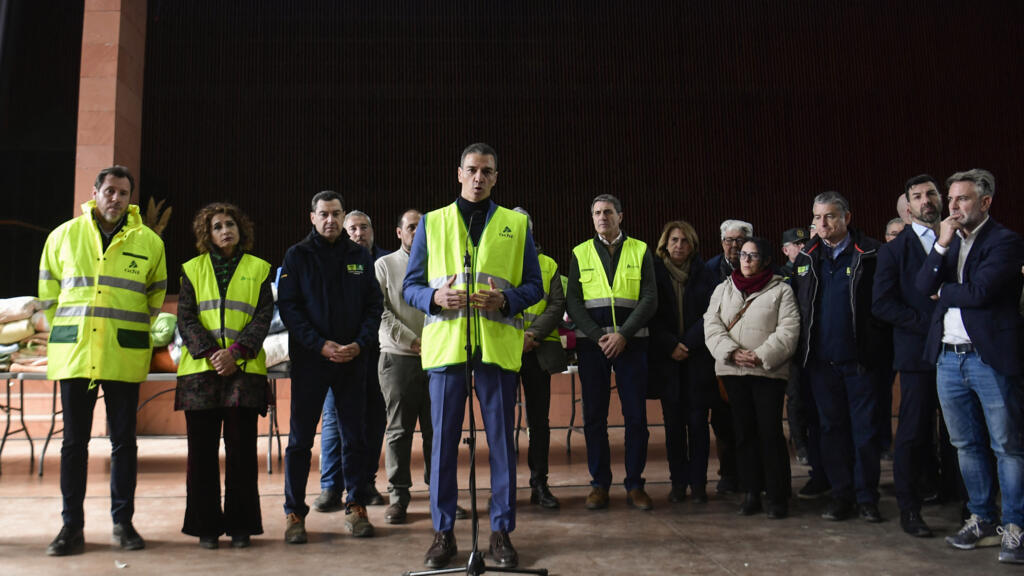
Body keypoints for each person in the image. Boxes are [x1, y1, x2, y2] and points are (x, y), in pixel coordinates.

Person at [403, 143, 543, 569]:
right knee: (443, 446)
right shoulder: (433, 222)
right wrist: (434, 297)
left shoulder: (516, 225)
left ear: (496, 177)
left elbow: (534, 286)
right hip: (447, 351)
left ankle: (501, 532)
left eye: (487, 171)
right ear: (459, 173)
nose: (479, 177)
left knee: (501, 445)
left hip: (497, 350)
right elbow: (410, 286)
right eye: (472, 170)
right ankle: (443, 532)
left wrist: (506, 300)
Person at [39, 165, 167, 556]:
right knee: (73, 444)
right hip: (76, 354)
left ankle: (123, 524)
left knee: (124, 442)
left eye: (123, 193)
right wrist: (71, 332)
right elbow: (48, 298)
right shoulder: (63, 236)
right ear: (95, 192)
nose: (115, 198)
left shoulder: (149, 242)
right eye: (109, 190)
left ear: (130, 198)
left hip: (122, 354)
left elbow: (154, 298)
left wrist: (126, 331)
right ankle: (71, 528)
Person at [915, 169, 1024, 564]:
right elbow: (919, 287)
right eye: (951, 199)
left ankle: (1016, 527)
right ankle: (982, 519)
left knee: (1007, 446)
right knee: (965, 444)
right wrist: (942, 244)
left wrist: (944, 290)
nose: (954, 207)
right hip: (948, 358)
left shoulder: (1005, 241)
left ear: (985, 202)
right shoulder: (949, 243)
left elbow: (981, 293)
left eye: (962, 199)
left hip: (989, 357)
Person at [277, 190, 383, 544]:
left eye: (336, 214)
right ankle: (294, 512)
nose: (330, 220)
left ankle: (356, 505)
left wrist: (359, 343)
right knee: (299, 441)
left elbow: (374, 306)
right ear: (312, 217)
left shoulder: (359, 256)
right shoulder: (297, 256)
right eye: (323, 214)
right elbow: (290, 309)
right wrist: (320, 344)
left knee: (355, 437)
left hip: (353, 360)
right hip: (311, 361)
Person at [175, 203, 273, 549]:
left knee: (242, 454)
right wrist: (212, 354)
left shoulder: (259, 269)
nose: (225, 230)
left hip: (242, 374)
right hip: (201, 375)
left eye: (230, 224)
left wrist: (236, 354)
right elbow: (185, 318)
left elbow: (263, 317)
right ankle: (205, 527)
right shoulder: (192, 269)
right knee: (201, 456)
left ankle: (241, 526)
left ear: (240, 229)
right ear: (208, 234)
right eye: (217, 226)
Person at [791, 191, 889, 523]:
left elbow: (883, 305)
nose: (822, 223)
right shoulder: (806, 258)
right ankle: (841, 495)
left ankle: (867, 498)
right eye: (817, 217)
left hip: (861, 362)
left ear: (847, 217)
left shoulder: (872, 253)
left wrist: (876, 344)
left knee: (865, 432)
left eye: (830, 216)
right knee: (831, 431)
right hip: (821, 364)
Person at [566, 194, 657, 511]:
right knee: (594, 417)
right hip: (594, 346)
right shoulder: (580, 252)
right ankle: (599, 485)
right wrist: (598, 336)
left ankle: (635, 484)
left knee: (636, 417)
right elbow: (574, 301)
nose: (602, 217)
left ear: (620, 216)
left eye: (607, 212)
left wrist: (623, 334)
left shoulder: (640, 249)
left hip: (632, 344)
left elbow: (649, 297)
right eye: (596, 213)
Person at [872, 174, 947, 538]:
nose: (925, 200)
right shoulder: (893, 250)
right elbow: (882, 304)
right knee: (914, 432)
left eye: (931, 193)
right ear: (908, 207)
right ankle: (909, 508)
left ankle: (966, 504)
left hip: (966, 351)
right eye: (917, 196)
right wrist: (930, 325)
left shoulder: (960, 239)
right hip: (918, 354)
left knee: (962, 434)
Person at [704, 237, 800, 519]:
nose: (746, 260)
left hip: (767, 372)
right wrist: (732, 352)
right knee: (743, 433)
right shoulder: (723, 289)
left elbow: (789, 330)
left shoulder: (781, 290)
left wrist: (759, 355)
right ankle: (751, 492)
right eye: (743, 255)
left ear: (766, 260)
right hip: (733, 371)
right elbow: (711, 325)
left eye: (753, 255)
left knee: (769, 432)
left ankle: (777, 495)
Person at [314, 209, 389, 511]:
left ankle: (366, 483)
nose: (359, 233)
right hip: (341, 352)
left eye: (364, 227)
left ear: (372, 231)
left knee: (374, 418)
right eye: (353, 229)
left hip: (380, 353)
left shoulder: (386, 261)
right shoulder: (334, 259)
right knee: (334, 419)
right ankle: (331, 487)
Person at [649, 221, 716, 503]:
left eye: (685, 241)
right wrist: (670, 345)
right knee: (673, 427)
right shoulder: (653, 272)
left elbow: (712, 313)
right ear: (665, 244)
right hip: (667, 361)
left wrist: (688, 342)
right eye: (674, 240)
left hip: (697, 358)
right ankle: (678, 483)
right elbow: (649, 313)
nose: (679, 245)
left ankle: (699, 484)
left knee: (698, 425)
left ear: (693, 245)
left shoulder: (705, 273)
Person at [375, 210, 434, 524]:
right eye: (411, 227)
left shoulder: (440, 263)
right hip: (398, 357)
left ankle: (441, 495)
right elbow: (380, 312)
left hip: (437, 358)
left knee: (436, 431)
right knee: (399, 431)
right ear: (399, 232)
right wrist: (413, 341)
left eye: (422, 227)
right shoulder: (384, 265)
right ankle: (398, 498)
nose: (417, 231)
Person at [512, 207, 567, 510]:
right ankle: (504, 486)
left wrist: (531, 335)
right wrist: (515, 339)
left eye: (525, 226)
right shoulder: (496, 260)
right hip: (504, 351)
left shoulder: (548, 264)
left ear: (531, 230)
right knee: (500, 423)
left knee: (539, 422)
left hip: (538, 351)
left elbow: (557, 304)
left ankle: (540, 484)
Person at [703, 219, 750, 494]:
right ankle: (728, 473)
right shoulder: (708, 270)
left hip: (752, 355)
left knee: (750, 419)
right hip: (718, 356)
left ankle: (753, 474)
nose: (734, 245)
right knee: (722, 420)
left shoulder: (762, 267)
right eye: (729, 240)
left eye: (739, 240)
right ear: (721, 242)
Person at [778, 227, 810, 466]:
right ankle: (800, 443)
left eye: (803, 243)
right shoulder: (780, 275)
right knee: (796, 396)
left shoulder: (813, 269)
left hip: (813, 344)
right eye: (795, 244)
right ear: (785, 250)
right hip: (792, 345)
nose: (801, 247)